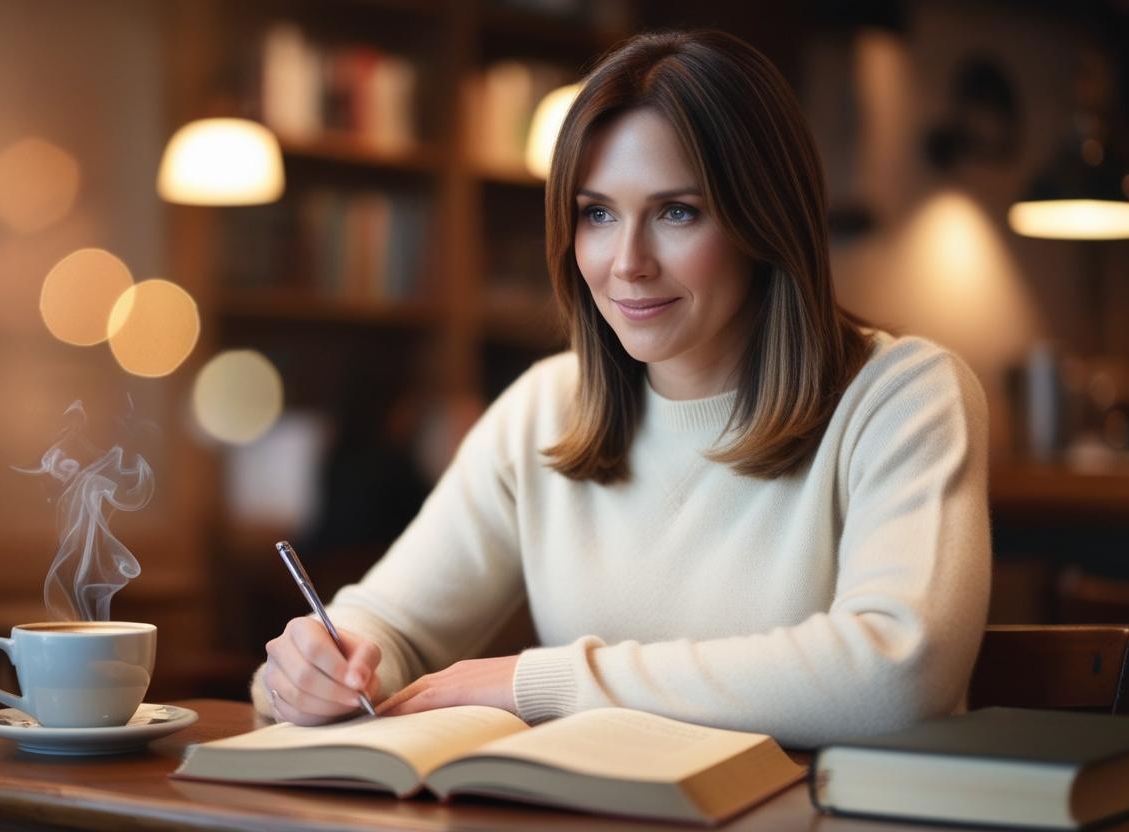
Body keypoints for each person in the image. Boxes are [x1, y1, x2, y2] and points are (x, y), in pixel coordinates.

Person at [252, 30, 991, 748]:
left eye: (677, 211)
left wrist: (546, 683)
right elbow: (385, 628)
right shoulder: (545, 409)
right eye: (597, 213)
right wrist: (312, 669)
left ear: (764, 220)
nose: (626, 263)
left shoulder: (902, 397)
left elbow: (898, 675)